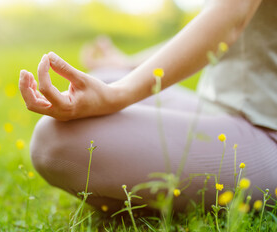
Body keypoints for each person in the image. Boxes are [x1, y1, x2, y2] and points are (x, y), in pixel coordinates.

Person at [19, 0, 277, 213]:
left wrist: (119, 94)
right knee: (108, 75)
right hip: (212, 106)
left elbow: (233, 18)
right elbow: (213, 22)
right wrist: (128, 64)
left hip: (265, 127)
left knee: (54, 141)